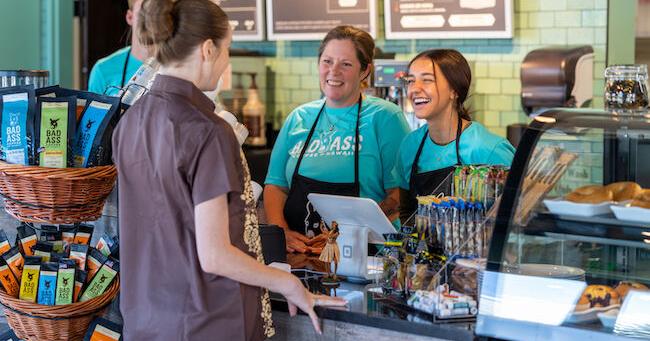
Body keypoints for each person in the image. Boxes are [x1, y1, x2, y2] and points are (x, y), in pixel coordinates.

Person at [112, 1, 345, 339]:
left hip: (146, 320)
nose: (225, 61)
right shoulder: (208, 130)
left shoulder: (130, 121)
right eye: (226, 50)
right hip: (208, 321)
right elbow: (215, 255)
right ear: (208, 49)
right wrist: (287, 282)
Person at [264, 26, 410, 253]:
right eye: (327, 61)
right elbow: (276, 186)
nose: (333, 71)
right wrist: (281, 232)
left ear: (364, 71)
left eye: (346, 64)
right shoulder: (298, 118)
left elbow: (401, 193)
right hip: (300, 256)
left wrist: (346, 238)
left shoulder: (385, 117)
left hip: (365, 255)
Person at [396, 49, 515, 222]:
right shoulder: (410, 146)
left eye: (427, 80)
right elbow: (407, 212)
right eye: (411, 81)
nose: (415, 89)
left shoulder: (488, 150)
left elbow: (514, 217)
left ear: (454, 90)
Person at [87, 0, 149, 96]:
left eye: (158, 13)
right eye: (144, 13)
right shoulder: (102, 70)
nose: (152, 21)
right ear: (130, 17)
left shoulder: (177, 68)